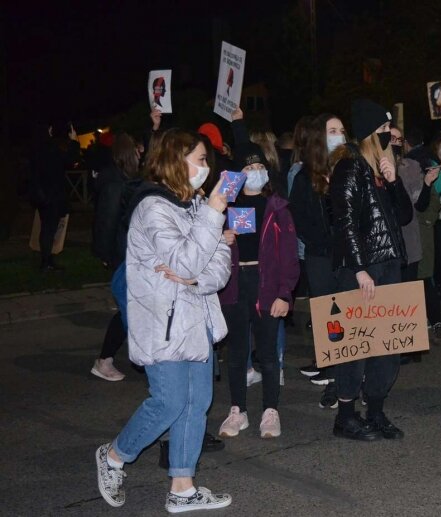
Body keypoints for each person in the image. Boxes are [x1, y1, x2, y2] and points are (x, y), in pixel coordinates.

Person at [95, 128, 233, 513]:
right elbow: (188, 258)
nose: (207, 168)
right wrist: (211, 220)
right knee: (170, 401)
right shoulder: (153, 207)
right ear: (176, 160)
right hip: (165, 322)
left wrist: (195, 276)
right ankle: (113, 456)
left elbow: (218, 263)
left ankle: (182, 487)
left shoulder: (195, 205)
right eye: (201, 160)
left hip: (198, 315)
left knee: (197, 402)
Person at [330, 99, 413, 440]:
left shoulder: (381, 170)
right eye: (382, 131)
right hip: (363, 270)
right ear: (368, 133)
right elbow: (345, 222)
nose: (387, 137)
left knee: (388, 346)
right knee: (357, 346)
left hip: (390, 264)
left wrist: (393, 183)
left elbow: (405, 217)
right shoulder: (350, 167)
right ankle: (346, 416)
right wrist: (359, 269)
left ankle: (375, 410)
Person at [217, 109, 299, 439]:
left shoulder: (277, 206)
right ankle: (238, 409)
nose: (255, 171)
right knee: (236, 352)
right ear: (239, 174)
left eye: (260, 166)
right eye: (249, 167)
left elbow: (290, 256)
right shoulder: (225, 208)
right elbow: (205, 248)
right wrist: (222, 240)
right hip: (236, 285)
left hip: (268, 285)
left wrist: (285, 294)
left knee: (267, 352)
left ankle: (270, 410)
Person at [289, 112, 347, 408]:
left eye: (341, 129)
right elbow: (301, 220)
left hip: (350, 258)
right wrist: (326, 243)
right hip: (321, 258)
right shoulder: (304, 177)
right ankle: (334, 379)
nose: (338, 135)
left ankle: (350, 376)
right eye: (332, 130)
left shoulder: (351, 169)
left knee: (351, 316)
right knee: (329, 318)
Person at [90, 132, 142, 381]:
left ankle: (106, 358)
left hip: (127, 254)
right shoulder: (115, 181)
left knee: (128, 309)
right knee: (129, 309)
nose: (140, 154)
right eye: (136, 149)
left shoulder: (123, 178)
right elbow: (107, 222)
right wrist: (107, 255)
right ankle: (106, 359)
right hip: (123, 255)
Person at [391, 124, 441, 347]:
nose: (394, 142)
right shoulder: (368, 167)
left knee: (410, 290)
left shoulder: (410, 166)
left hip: (409, 240)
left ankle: (407, 343)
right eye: (389, 137)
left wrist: (426, 183)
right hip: (385, 242)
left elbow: (420, 205)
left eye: (397, 139)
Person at [30, 122, 80, 271]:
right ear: (49, 131)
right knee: (49, 229)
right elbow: (69, 160)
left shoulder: (37, 149)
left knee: (46, 228)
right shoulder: (50, 149)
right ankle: (46, 262)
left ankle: (47, 260)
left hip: (42, 196)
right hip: (52, 196)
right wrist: (74, 142)